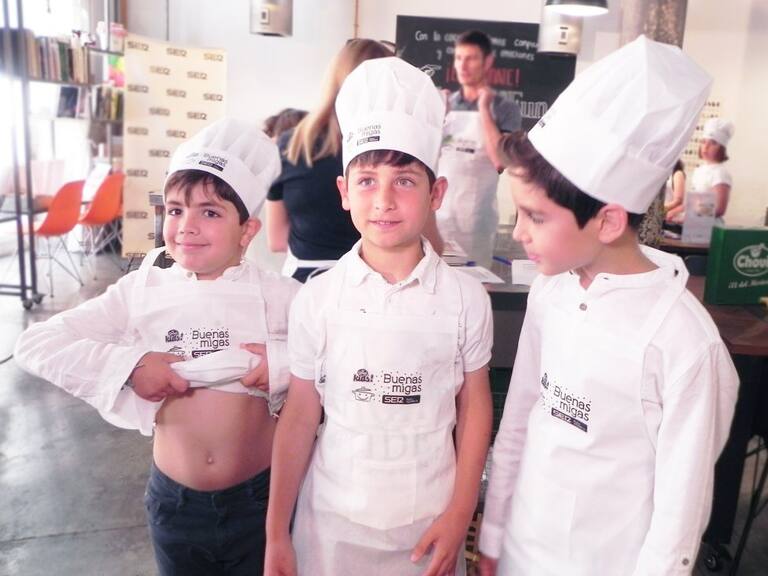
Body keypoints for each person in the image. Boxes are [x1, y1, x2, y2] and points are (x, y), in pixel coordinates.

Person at [478, 37, 739, 576]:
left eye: (536, 217)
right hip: (521, 550)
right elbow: (519, 420)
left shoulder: (685, 344)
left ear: (609, 221)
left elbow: (679, 512)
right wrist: (494, 534)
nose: (519, 232)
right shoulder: (551, 292)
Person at [14, 118, 300, 576]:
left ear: (247, 230)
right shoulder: (141, 291)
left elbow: (338, 355)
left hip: (260, 502)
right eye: (175, 210)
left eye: (210, 213)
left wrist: (285, 364)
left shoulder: (279, 296)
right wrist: (131, 365)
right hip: (175, 507)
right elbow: (36, 343)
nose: (187, 226)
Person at [265, 57, 493, 576]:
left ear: (436, 194)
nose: (384, 201)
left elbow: (475, 406)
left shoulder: (464, 299)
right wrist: (277, 531)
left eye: (405, 181)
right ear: (344, 194)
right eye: (367, 181)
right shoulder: (318, 299)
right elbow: (299, 416)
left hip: (429, 525)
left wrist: (461, 512)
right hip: (331, 528)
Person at [264, 39, 393, 283]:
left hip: (302, 284)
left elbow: (277, 241)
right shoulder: (393, 152)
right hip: (373, 283)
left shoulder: (290, 145)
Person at [437, 29, 522, 267]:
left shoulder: (505, 109)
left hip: (477, 223)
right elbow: (426, 158)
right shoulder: (445, 103)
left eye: (471, 58)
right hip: (438, 217)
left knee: (473, 282)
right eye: (459, 58)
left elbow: (500, 162)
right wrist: (438, 117)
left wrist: (484, 110)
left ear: (488, 62)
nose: (463, 66)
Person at [691, 117, 734, 219]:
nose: (706, 147)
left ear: (721, 148)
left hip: (710, 225)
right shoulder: (699, 170)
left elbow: (719, 209)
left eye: (713, 143)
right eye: (703, 142)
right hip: (695, 222)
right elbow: (692, 203)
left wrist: (692, 214)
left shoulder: (720, 173)